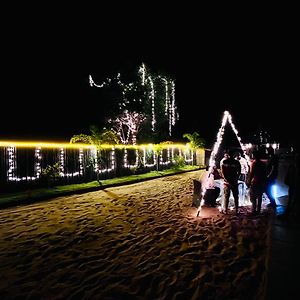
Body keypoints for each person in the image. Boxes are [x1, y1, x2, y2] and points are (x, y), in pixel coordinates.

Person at [221, 150, 241, 214]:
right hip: (234, 181)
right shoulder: (237, 162)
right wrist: (236, 178)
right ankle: (237, 210)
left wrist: (226, 180)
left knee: (226, 196)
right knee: (236, 196)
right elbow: (239, 172)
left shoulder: (224, 162)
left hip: (227, 182)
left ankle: (226, 210)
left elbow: (223, 173)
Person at [247, 150, 267, 214]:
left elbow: (252, 173)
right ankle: (258, 210)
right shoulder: (263, 164)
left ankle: (254, 210)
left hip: (255, 181)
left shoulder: (254, 163)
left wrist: (249, 181)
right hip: (261, 181)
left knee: (254, 197)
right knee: (259, 196)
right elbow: (265, 173)